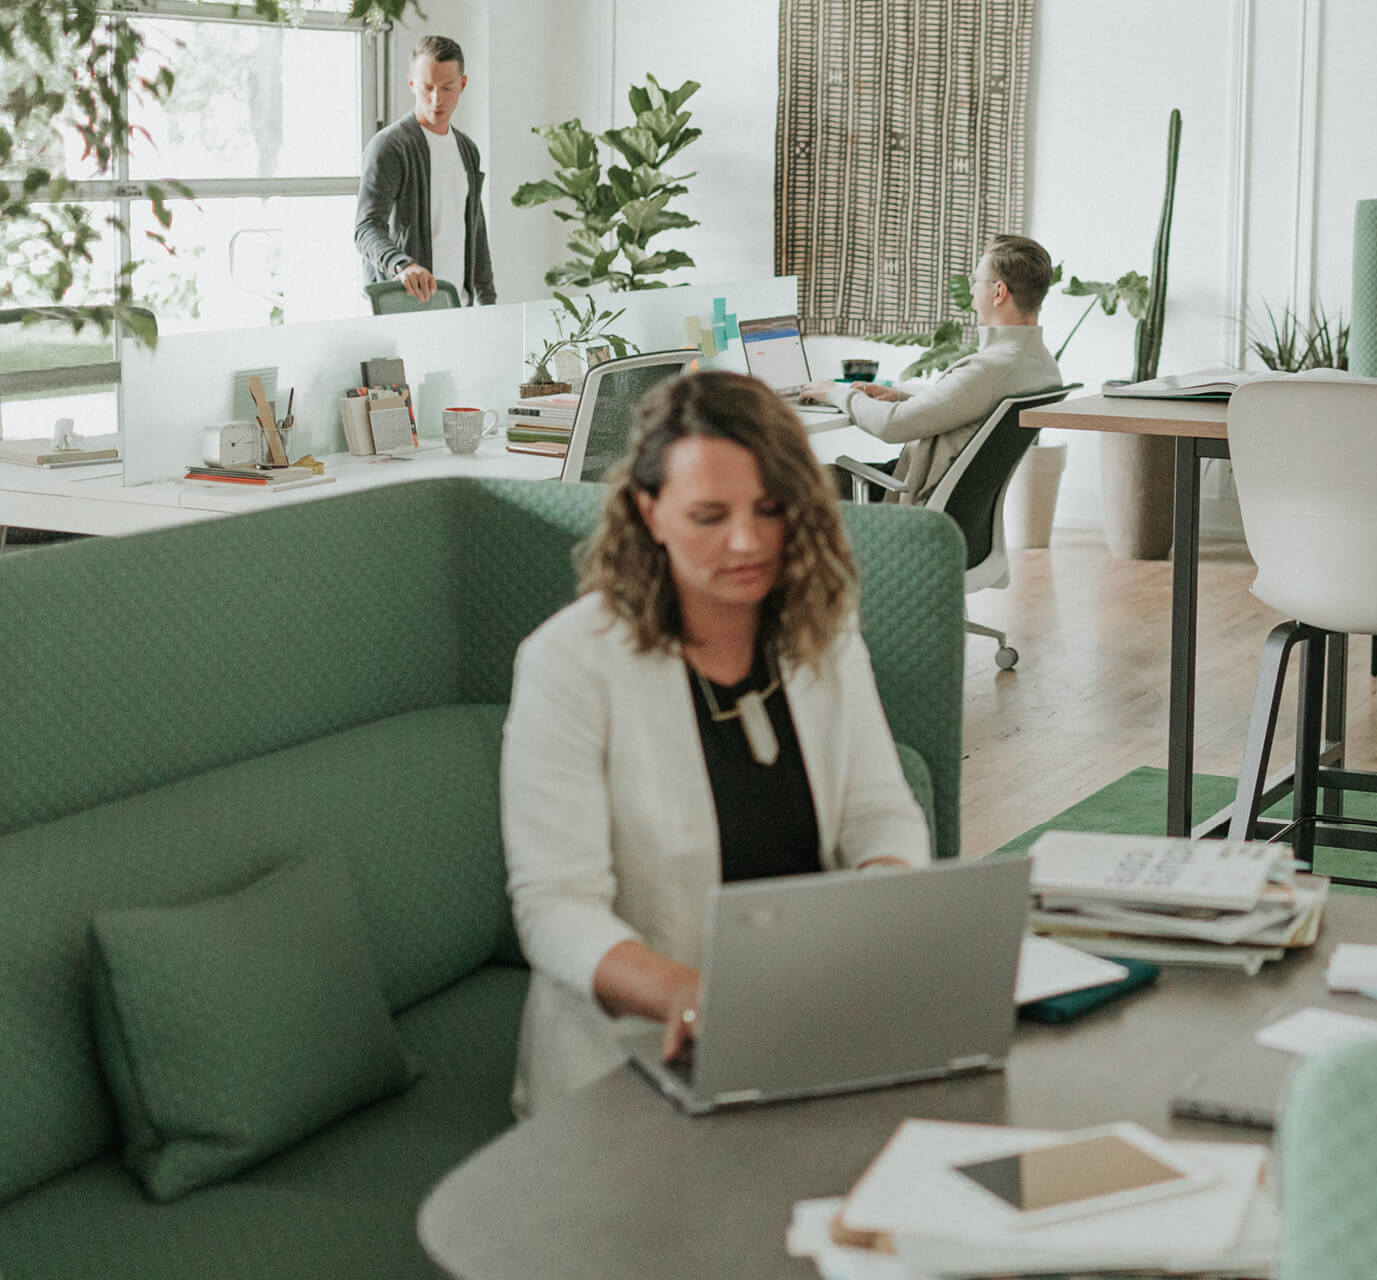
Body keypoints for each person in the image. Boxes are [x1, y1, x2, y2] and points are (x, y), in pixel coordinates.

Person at [501, 371, 931, 1114]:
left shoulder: (820, 632)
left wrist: (880, 907)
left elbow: (878, 812)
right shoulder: (570, 664)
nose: (746, 542)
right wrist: (692, 997)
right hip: (635, 1059)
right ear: (649, 512)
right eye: (708, 515)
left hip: (812, 1026)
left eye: (771, 510)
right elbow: (556, 910)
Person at [797, 234, 1063, 504]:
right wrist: (901, 396)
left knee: (790, 483)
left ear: (998, 292)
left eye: (976, 281)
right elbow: (969, 406)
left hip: (910, 503)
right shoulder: (1041, 365)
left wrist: (835, 393)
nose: (971, 290)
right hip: (956, 508)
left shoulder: (991, 368)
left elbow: (893, 425)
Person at [354, 35, 497, 307]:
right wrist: (402, 265)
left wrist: (487, 301)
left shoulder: (468, 150)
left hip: (458, 307)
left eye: (447, 88)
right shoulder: (389, 147)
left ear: (462, 84)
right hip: (405, 308)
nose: (436, 99)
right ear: (411, 83)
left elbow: (476, 232)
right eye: (426, 87)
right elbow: (366, 228)